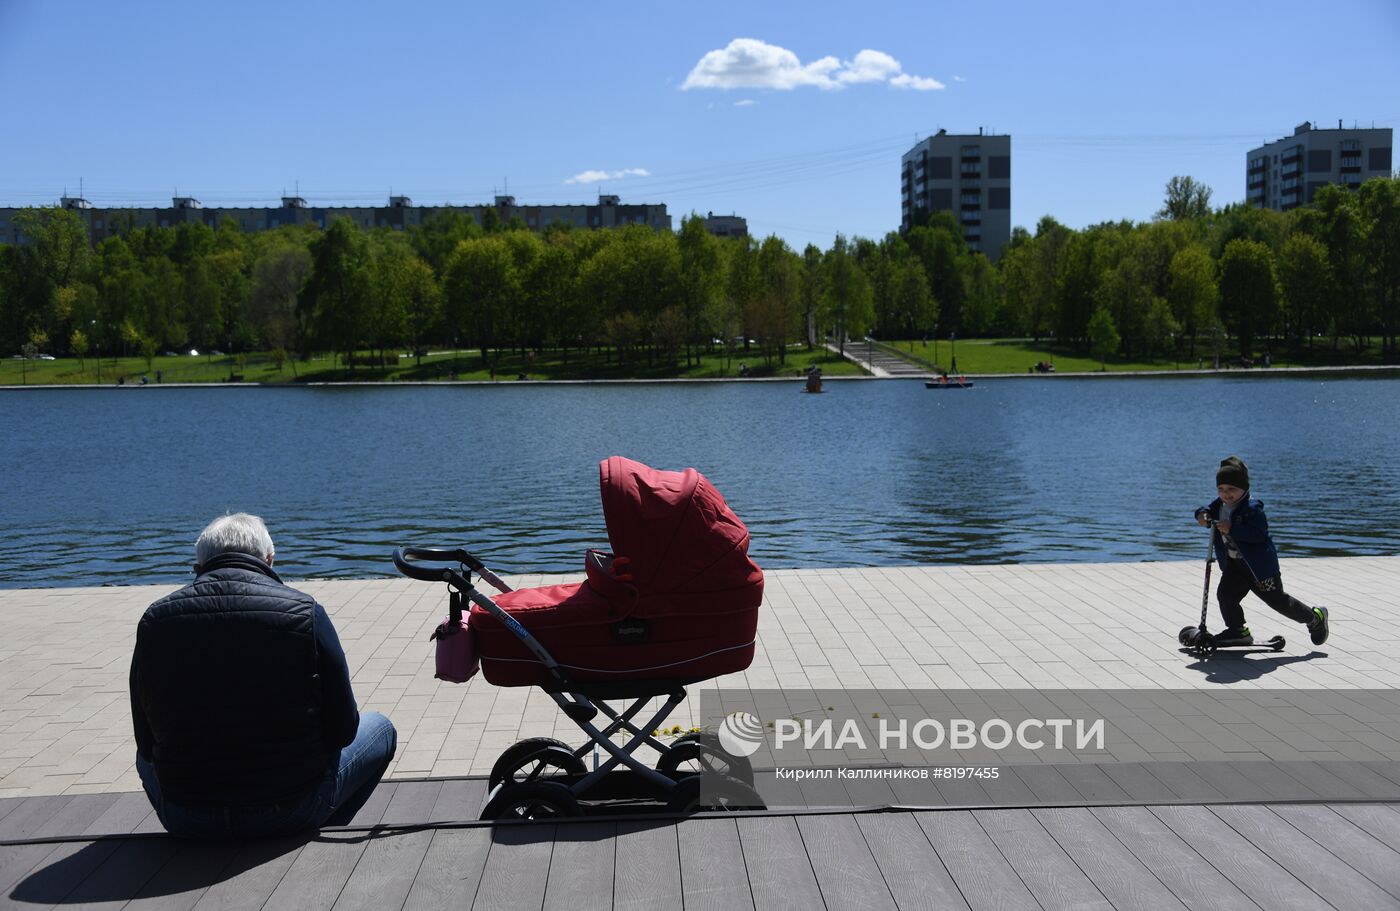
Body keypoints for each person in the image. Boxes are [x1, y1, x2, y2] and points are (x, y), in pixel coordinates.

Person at [129, 513, 396, 839]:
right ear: (270, 560)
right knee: (381, 728)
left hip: (187, 816)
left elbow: (145, 741)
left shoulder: (154, 622)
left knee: (147, 759)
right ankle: (309, 832)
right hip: (288, 807)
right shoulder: (306, 613)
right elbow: (344, 729)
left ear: (199, 568)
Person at [1193, 457, 1329, 647]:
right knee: (1226, 595)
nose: (1226, 494)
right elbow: (1205, 510)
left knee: (1278, 602)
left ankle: (1314, 618)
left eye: (1232, 489)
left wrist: (1232, 529)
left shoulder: (1252, 509)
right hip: (1235, 566)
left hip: (1260, 569)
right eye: (1221, 489)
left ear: (1244, 489)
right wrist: (1202, 516)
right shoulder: (1218, 506)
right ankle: (1238, 630)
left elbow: (1258, 534)